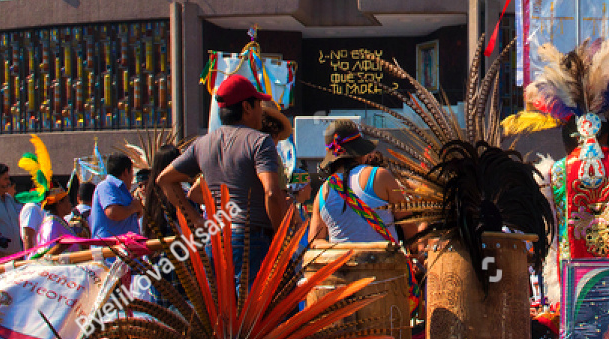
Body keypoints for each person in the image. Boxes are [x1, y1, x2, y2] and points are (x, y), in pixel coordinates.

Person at [158, 74, 290, 277]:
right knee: (254, 308)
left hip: (216, 239)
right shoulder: (260, 141)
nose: (260, 113)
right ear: (247, 107)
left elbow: (164, 180)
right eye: (258, 106)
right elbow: (271, 193)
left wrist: (195, 220)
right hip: (252, 241)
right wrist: (281, 241)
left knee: (223, 307)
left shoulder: (202, 144)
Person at [306, 123, 406, 245]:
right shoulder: (380, 176)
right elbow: (407, 222)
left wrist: (338, 250)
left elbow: (315, 240)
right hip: (384, 262)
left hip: (340, 263)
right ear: (360, 152)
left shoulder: (323, 192)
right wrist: (415, 252)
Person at [89, 153, 143, 240]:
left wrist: (137, 210)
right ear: (126, 172)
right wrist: (133, 207)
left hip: (123, 248)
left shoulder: (122, 191)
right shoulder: (106, 186)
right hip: (109, 250)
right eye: (132, 173)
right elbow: (113, 212)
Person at [20, 180, 75, 250]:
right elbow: (27, 236)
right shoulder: (32, 208)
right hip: (40, 257)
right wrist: (30, 258)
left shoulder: (47, 213)